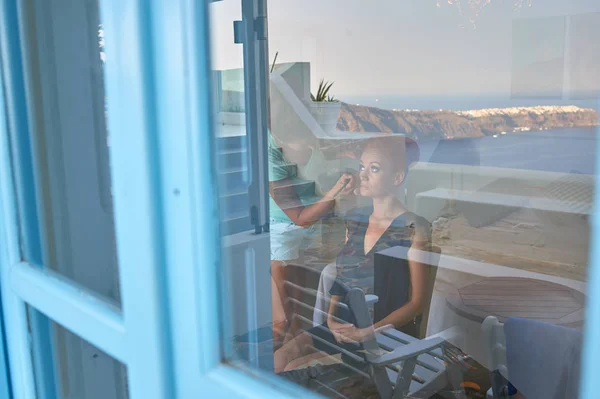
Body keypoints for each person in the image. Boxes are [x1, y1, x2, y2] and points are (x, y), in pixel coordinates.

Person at [273, 136, 431, 373]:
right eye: (362, 166)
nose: (363, 175)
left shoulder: (414, 227)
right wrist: (330, 319)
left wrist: (368, 332)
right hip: (344, 324)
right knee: (282, 355)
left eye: (374, 168)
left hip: (381, 334)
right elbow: (343, 275)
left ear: (397, 177)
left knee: (295, 368)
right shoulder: (356, 218)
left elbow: (417, 303)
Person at [268, 130, 357, 340]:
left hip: (317, 218)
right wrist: (336, 191)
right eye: (304, 142)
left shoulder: (302, 137)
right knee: (283, 318)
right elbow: (300, 217)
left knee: (303, 313)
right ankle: (275, 361)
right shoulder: (269, 154)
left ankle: (296, 346)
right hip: (283, 226)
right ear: (281, 138)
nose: (312, 148)